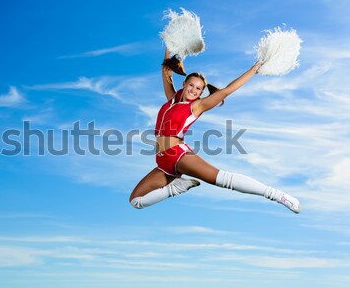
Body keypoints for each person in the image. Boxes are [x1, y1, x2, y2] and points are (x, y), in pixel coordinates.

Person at [129, 48, 301, 213]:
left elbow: (226, 91)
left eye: (198, 89)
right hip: (162, 162)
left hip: (177, 154)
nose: (193, 90)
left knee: (222, 179)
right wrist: (169, 46)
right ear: (184, 84)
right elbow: (167, 71)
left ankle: (278, 195)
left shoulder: (196, 106)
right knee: (136, 200)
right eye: (191, 85)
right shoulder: (172, 99)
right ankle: (175, 187)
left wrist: (253, 70)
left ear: (201, 93)